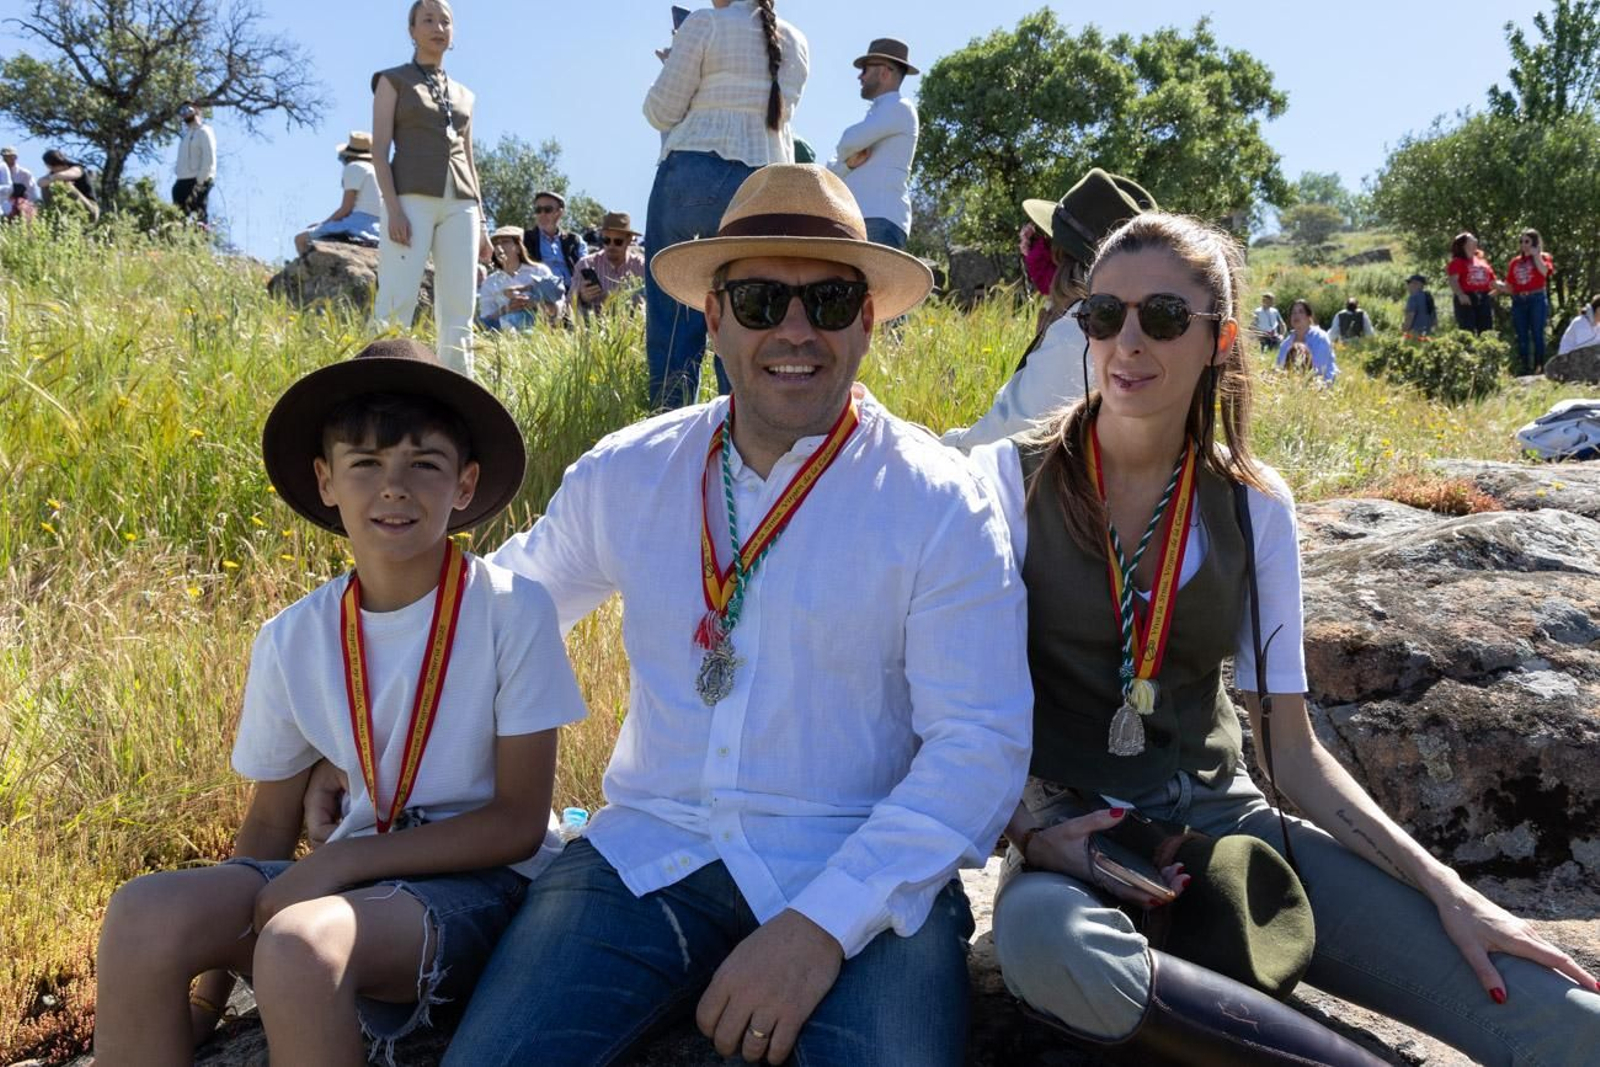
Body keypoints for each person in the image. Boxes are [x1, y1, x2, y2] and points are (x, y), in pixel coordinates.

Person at [435, 164, 1031, 1066]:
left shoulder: (940, 501)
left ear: (868, 320)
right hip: (645, 856)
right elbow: (501, 616)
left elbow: (978, 745)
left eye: (829, 300)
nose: (795, 330)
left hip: (862, 868)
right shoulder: (629, 470)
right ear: (712, 316)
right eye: (759, 299)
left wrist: (819, 928)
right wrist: (349, 740)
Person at [973, 210, 1600, 1065]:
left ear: (1219, 340)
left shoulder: (1252, 502)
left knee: (1558, 1015)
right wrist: (1029, 830)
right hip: (1076, 847)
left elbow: (1293, 755)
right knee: (1054, 948)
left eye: (1161, 317)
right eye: (1102, 314)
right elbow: (957, 713)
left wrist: (1449, 890)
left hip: (1229, 832)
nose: (1127, 341)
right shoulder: (1003, 484)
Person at [93, 339, 589, 1066]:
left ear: (464, 483)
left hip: (483, 887)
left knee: (299, 945)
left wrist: (336, 865)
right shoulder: (293, 635)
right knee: (141, 912)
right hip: (359, 880)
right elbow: (269, 820)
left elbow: (517, 822)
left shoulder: (511, 610)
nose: (394, 488)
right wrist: (206, 994)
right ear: (326, 480)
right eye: (365, 464)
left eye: (424, 464)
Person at [642, 0, 809, 410]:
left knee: (676, 314)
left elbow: (659, 111)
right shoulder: (795, 40)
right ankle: (742, 432)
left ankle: (671, 427)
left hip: (695, 174)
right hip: (764, 190)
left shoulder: (704, 24)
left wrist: (673, 64)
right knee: (746, 315)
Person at [942, 168, 1155, 452]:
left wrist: (939, 443)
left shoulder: (1078, 331)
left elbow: (1005, 437)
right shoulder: (1143, 327)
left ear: (1058, 255)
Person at [371, 0, 492, 377]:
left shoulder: (465, 95)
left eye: (445, 21)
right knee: (396, 300)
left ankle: (459, 392)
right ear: (412, 31)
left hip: (462, 204)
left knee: (459, 309)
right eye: (428, 20)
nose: (438, 27)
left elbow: (470, 160)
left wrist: (483, 225)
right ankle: (380, 381)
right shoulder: (392, 80)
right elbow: (378, 151)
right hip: (410, 200)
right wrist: (392, 209)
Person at [826, 38, 919, 251]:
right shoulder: (883, 113)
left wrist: (845, 158)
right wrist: (847, 164)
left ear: (885, 72)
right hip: (864, 219)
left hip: (878, 218)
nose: (860, 76)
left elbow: (847, 142)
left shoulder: (900, 108)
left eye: (866, 69)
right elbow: (832, 171)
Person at [294, 131, 383, 256]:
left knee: (300, 239)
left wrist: (323, 224)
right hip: (378, 226)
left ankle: (303, 272)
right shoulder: (377, 170)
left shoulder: (354, 167)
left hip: (359, 224)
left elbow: (346, 209)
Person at [478, 226, 564, 331]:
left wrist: (533, 304)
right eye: (496, 244)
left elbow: (559, 305)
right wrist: (507, 308)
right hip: (505, 338)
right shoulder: (489, 282)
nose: (499, 247)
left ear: (518, 247)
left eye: (505, 241)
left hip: (541, 333)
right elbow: (484, 321)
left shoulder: (539, 271)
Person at [571, 211, 646, 315]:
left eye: (618, 241)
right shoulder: (585, 264)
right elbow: (568, 304)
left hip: (632, 326)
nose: (611, 245)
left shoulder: (641, 266)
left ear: (629, 240)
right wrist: (582, 298)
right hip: (595, 326)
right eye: (606, 240)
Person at [1504, 228, 1555, 374]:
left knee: (1538, 333)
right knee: (1522, 335)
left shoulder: (1544, 257)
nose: (1523, 244)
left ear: (1535, 242)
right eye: (1521, 241)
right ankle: (1524, 367)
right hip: (1519, 300)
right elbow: (1510, 285)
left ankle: (1539, 367)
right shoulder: (1515, 262)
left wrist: (1536, 255)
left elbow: (1544, 272)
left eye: (1527, 241)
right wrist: (1496, 287)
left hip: (1536, 298)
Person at [521, 190, 586, 297]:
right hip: (540, 295)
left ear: (560, 213)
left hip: (573, 294)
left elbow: (585, 267)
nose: (542, 214)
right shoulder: (525, 239)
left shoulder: (575, 240)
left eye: (547, 210)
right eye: (538, 210)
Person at [172, 102, 217, 223]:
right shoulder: (185, 137)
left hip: (197, 180)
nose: (185, 114)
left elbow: (209, 158)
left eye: (188, 110)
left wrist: (200, 181)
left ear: (196, 111)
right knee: (179, 217)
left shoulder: (204, 131)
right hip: (181, 181)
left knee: (198, 216)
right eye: (182, 112)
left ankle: (200, 240)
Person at [1446, 231, 1497, 335]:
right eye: (1471, 237)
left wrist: (1500, 289)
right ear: (1464, 244)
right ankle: (1468, 350)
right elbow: (1453, 280)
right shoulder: (1457, 262)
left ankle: (1487, 350)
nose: (1475, 239)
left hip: (1483, 297)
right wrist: (1460, 294)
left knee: (1486, 329)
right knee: (1467, 329)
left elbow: (1492, 281)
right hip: (1467, 297)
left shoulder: (1482, 262)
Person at [1277, 298, 1337, 382]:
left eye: (1301, 312)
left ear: (1309, 317)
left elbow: (1320, 370)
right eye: (1293, 312)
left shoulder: (1320, 338)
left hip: (1319, 387)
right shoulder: (1285, 344)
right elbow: (1279, 368)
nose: (1296, 315)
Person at [36, 149, 98, 220]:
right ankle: (51, 214)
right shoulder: (53, 175)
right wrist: (52, 178)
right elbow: (40, 182)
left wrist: (56, 177)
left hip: (90, 210)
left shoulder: (77, 168)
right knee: (45, 186)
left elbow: (72, 174)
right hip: (71, 211)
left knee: (66, 185)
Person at [2, 146, 40, 221]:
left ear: (15, 157)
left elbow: (31, 193)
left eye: (10, 156)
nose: (7, 159)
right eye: (5, 157)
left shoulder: (24, 174)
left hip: (20, 204)